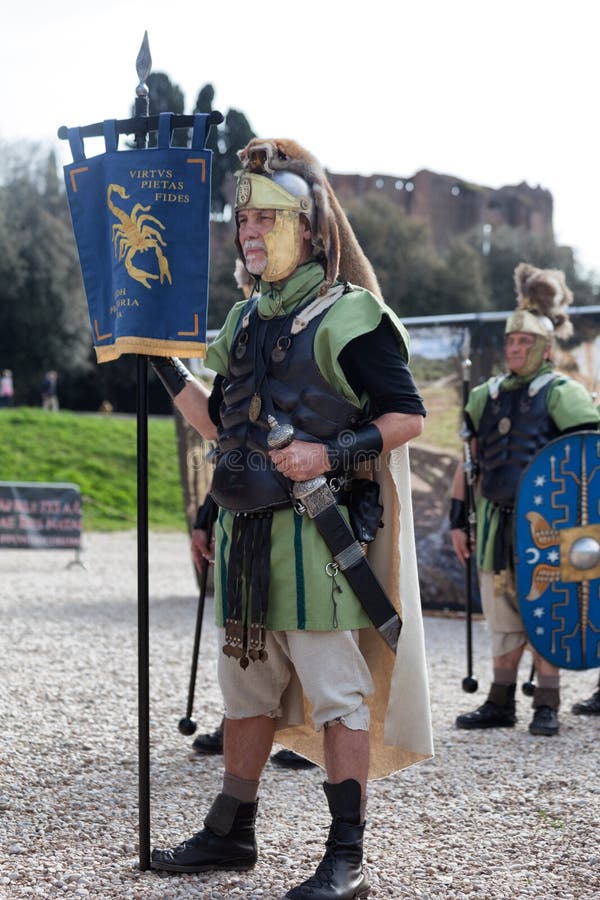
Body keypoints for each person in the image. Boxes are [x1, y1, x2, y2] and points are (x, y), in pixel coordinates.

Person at [149, 137, 432, 899]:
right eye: (244, 216)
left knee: (337, 693)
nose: (251, 229)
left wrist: (328, 452)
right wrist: (159, 360)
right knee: (244, 691)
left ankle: (347, 856)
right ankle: (230, 830)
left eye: (268, 216)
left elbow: (410, 418)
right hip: (245, 532)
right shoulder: (243, 320)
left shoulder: (352, 316)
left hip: (315, 536)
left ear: (310, 227)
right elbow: (224, 425)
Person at [450, 262, 600, 738]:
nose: (515, 348)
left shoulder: (563, 393)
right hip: (494, 518)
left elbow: (587, 458)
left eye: (525, 342)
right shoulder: (484, 396)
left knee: (546, 606)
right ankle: (500, 701)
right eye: (511, 342)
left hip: (548, 522)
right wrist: (458, 520)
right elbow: (467, 461)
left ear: (546, 348)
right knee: (502, 612)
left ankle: (547, 704)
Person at [189, 491, 316, 769]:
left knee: (309, 640)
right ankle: (235, 727)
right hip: (245, 515)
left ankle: (311, 737)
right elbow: (231, 464)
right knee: (245, 656)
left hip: (310, 523)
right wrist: (204, 520)